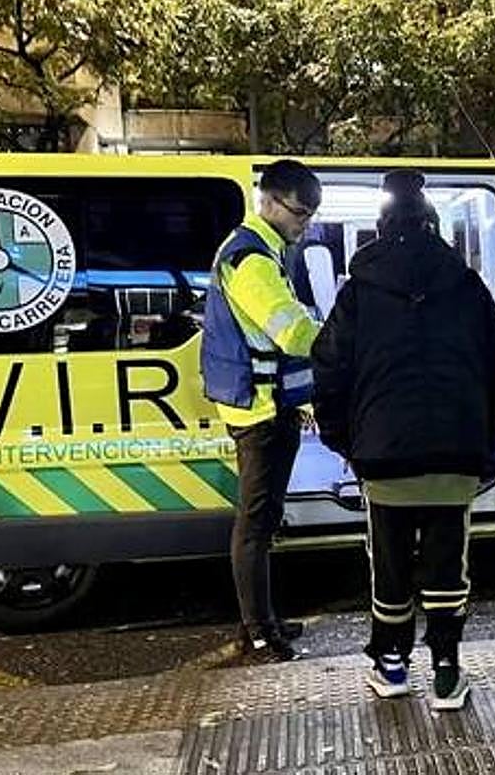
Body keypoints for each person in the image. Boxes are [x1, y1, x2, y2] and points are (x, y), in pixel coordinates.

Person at [311, 169, 495, 712]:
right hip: (455, 455)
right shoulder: (467, 284)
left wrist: (346, 440)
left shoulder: (358, 291)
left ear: (381, 230)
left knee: (390, 563)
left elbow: (329, 368)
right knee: (448, 562)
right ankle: (448, 673)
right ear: (433, 226)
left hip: (383, 456)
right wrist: (482, 423)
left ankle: (392, 666)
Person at [201, 159, 322, 663]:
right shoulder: (251, 259)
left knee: (265, 520)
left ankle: (263, 620)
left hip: (272, 405)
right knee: (254, 525)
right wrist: (345, 341)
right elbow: (291, 332)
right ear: (268, 202)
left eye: (311, 215)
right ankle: (255, 633)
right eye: (299, 212)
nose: (305, 224)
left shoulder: (265, 251)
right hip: (259, 412)